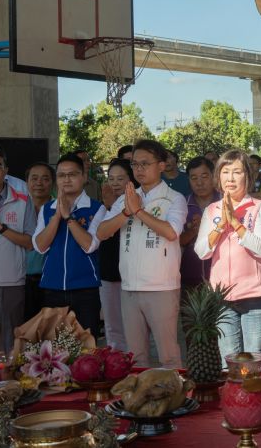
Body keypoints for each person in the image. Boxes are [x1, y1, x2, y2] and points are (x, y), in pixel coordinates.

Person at [97, 140, 187, 368]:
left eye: (145, 163)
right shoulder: (126, 197)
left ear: (162, 165)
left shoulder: (174, 198)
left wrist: (138, 210)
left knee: (168, 356)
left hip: (161, 287)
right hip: (129, 288)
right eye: (135, 164)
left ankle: (175, 400)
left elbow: (171, 231)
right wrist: (127, 211)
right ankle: (139, 401)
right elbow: (101, 232)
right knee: (136, 357)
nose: (139, 169)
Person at [194, 150, 261, 367]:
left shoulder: (259, 207)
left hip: (256, 296)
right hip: (222, 298)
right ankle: (233, 401)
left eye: (237, 172)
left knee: (254, 360)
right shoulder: (211, 210)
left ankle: (256, 400)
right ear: (218, 177)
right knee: (228, 361)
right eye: (225, 172)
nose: (230, 178)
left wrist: (237, 225)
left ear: (248, 176)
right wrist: (221, 226)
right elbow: (201, 251)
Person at [33, 153, 107, 338]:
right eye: (61, 175)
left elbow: (90, 245)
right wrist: (57, 216)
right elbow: (40, 246)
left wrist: (68, 217)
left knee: (86, 347)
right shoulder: (47, 209)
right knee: (54, 346)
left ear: (83, 177)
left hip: (85, 289)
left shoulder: (97, 208)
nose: (66, 179)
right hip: (53, 288)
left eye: (72, 174)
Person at [0, 145, 36, 354]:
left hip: (11, 282)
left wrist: (0, 228)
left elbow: (30, 242)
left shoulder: (22, 199)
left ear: (6, 170)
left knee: (13, 344)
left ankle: (12, 384)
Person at [98, 159, 138, 351]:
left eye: (120, 178)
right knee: (112, 324)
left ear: (130, 179)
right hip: (108, 269)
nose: (114, 183)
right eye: (111, 178)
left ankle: (134, 361)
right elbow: (100, 233)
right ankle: (115, 360)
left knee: (132, 325)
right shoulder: (104, 205)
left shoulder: (137, 201)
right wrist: (107, 206)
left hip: (131, 272)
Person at [180, 157, 220, 289]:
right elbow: (176, 240)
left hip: (222, 278)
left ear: (213, 176)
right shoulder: (182, 204)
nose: (199, 183)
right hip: (189, 277)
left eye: (204, 176)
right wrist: (194, 230)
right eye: (194, 178)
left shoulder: (225, 202)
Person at [24, 162, 55, 322]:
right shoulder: (17, 208)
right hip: (21, 281)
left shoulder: (60, 209)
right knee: (25, 333)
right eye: (34, 178)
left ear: (53, 182)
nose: (39, 183)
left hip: (51, 282)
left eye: (45, 179)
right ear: (27, 182)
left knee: (51, 333)